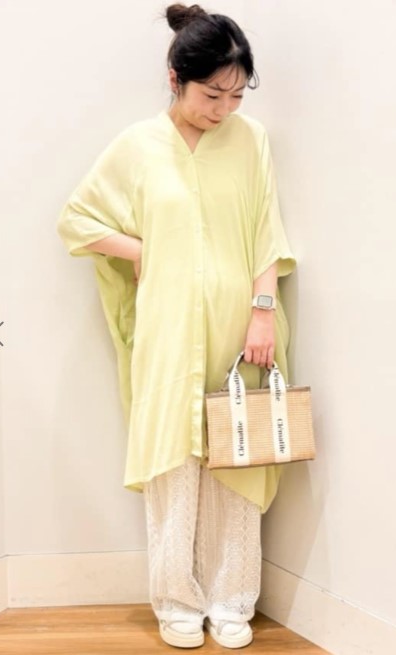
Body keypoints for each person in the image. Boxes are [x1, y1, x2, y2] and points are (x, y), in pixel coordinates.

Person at [57, 2, 296, 649]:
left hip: (240, 328)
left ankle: (233, 598)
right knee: (173, 461)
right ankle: (176, 600)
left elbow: (266, 232)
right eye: (212, 94)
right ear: (175, 78)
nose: (224, 109)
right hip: (165, 331)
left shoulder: (250, 140)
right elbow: (77, 220)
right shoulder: (137, 146)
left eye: (237, 95)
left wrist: (263, 311)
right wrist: (142, 250)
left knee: (236, 455)